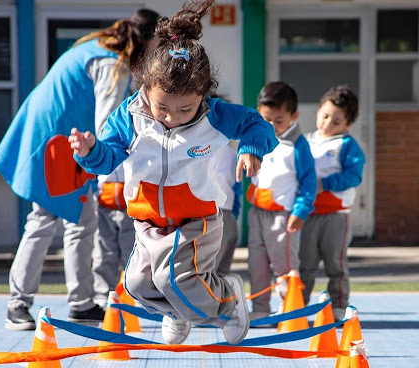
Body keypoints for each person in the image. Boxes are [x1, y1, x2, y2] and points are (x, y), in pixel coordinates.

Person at [68, 0, 278, 345]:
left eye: (186, 109)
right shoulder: (130, 115)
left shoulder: (215, 114)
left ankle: (228, 298)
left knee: (172, 278)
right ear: (146, 88)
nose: (171, 117)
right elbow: (108, 159)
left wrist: (251, 148)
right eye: (162, 106)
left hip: (198, 219)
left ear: (203, 96)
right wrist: (91, 152)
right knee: (136, 285)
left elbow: (258, 125)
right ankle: (176, 312)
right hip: (149, 220)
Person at [0, 9, 160, 330]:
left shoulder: (99, 44)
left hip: (59, 138)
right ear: (147, 43)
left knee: (82, 220)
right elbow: (107, 126)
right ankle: (18, 303)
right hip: (56, 143)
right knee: (44, 218)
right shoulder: (113, 65)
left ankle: (81, 303)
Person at [247, 81, 317, 321]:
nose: (272, 126)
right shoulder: (256, 136)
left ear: (293, 115)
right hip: (257, 214)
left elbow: (309, 182)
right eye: (266, 119)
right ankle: (260, 310)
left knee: (284, 266)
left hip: (283, 217)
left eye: (278, 121)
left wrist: (301, 211)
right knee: (256, 265)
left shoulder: (298, 146)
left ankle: (290, 311)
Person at [299, 84, 365, 321]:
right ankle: (299, 305)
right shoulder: (304, 141)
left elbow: (354, 176)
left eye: (336, 121)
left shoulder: (348, 145)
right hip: (306, 213)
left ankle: (338, 305)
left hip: (336, 216)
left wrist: (324, 183)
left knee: (335, 263)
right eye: (325, 116)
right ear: (318, 111)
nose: (328, 123)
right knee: (304, 263)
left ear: (347, 124)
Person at [91, 162, 135, 309]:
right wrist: (95, 195)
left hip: (130, 204)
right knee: (104, 252)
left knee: (132, 253)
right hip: (104, 203)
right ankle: (103, 294)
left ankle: (135, 293)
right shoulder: (99, 139)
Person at [214, 144, 242, 276]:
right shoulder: (231, 153)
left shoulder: (231, 153)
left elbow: (237, 186)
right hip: (219, 213)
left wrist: (233, 212)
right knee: (216, 271)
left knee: (215, 271)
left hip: (222, 213)